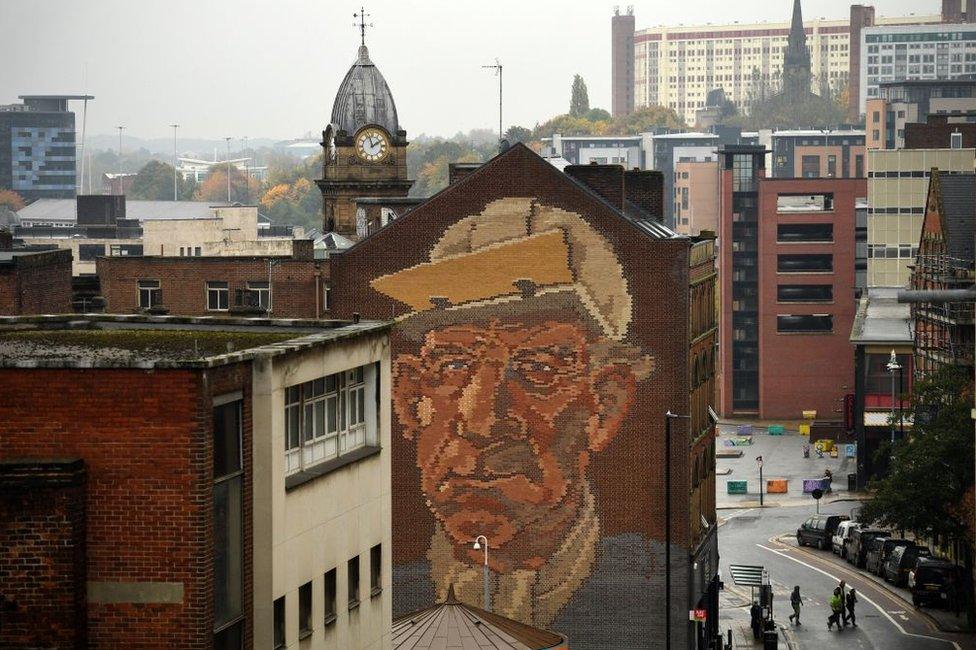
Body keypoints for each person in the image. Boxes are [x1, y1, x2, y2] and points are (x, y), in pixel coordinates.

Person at [381, 199, 655, 632]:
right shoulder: (376, 594)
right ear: (411, 398)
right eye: (452, 366)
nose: (480, 419)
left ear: (604, 406)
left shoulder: (648, 591)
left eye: (538, 369)